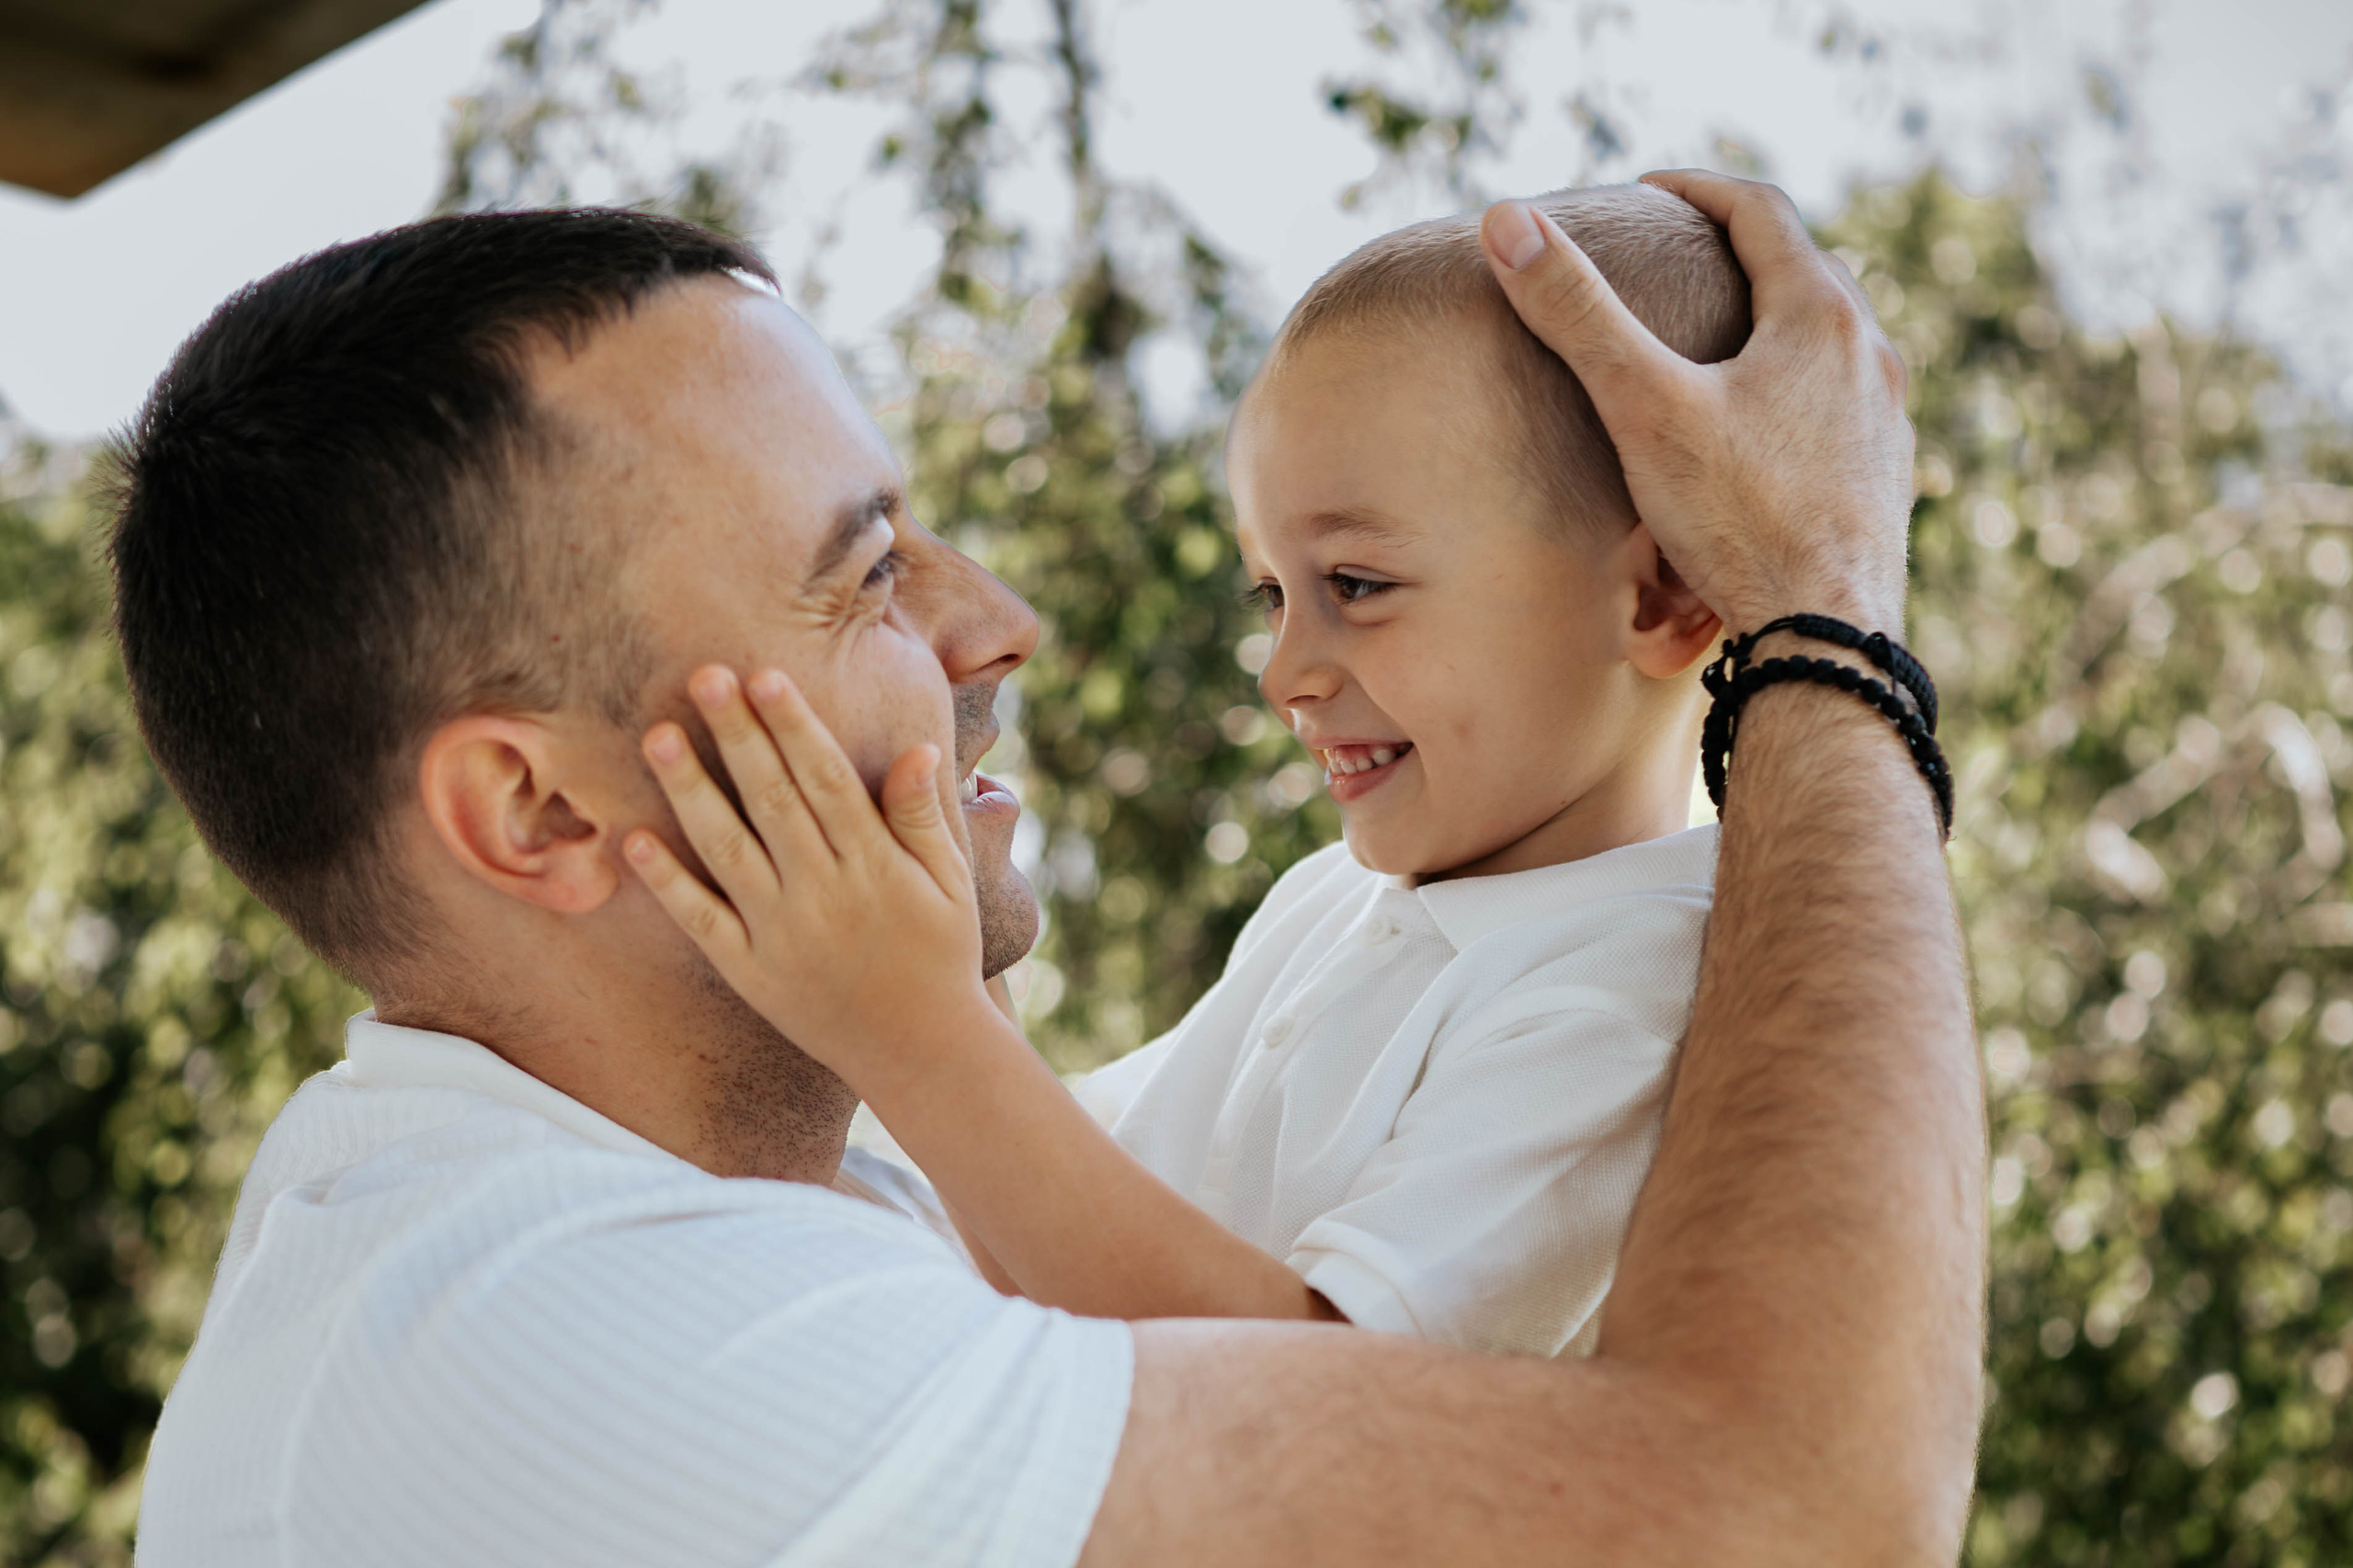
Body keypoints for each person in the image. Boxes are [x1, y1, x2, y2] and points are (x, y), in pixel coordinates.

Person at [119, 173, 1982, 1567]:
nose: (996, 626)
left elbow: (1090, 1192)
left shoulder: (759, 1216)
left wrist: (942, 1008)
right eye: (865, 575)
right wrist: (1818, 613)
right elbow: (1780, 1519)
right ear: (532, 812)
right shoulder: (564, 1338)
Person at [626, 183, 1752, 1358]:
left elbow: (1317, 1389)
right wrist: (936, 938)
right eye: (1273, 594)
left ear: (1661, 595)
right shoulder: (1333, 899)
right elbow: (1067, 1211)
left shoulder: (1638, 991)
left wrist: (911, 1028)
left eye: (1355, 586)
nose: (1285, 673)